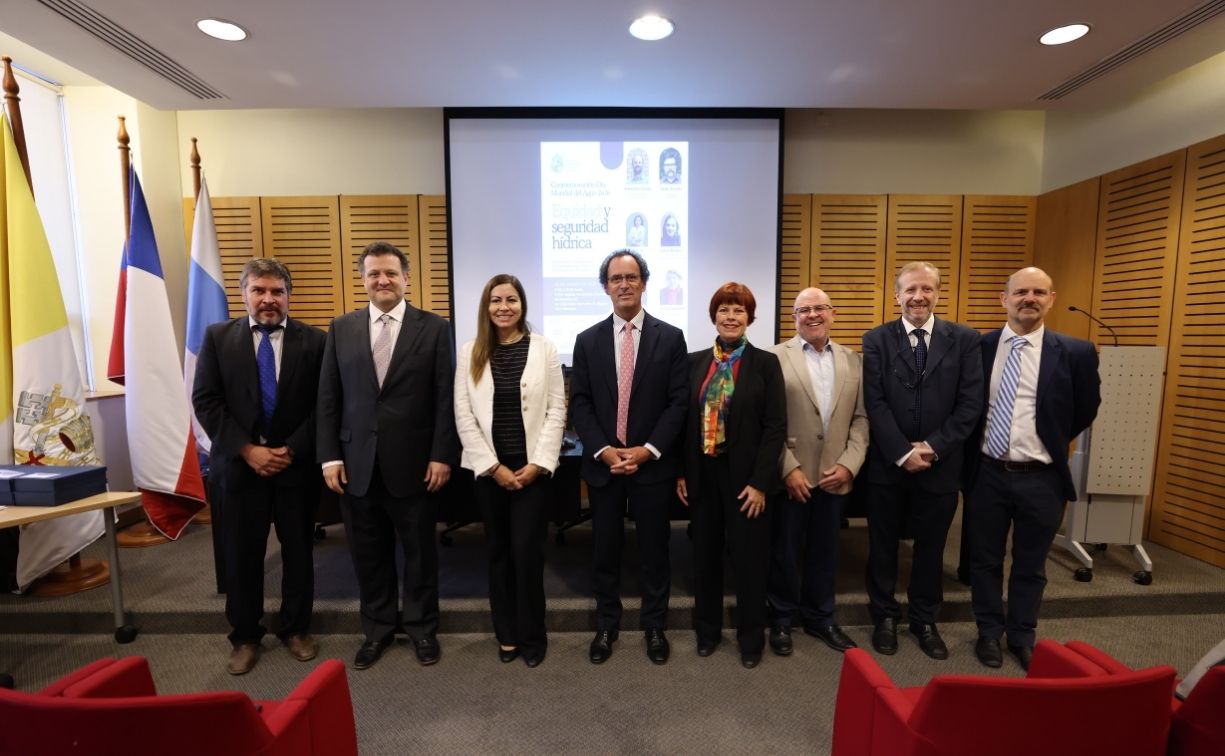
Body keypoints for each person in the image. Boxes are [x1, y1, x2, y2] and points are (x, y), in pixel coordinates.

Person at [317, 241, 459, 671]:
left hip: (415, 466)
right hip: (356, 465)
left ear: (406, 279)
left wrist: (442, 455)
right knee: (368, 554)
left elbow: (445, 397)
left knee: (420, 554)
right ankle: (377, 630)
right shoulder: (341, 328)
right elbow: (328, 398)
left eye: (391, 273)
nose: (383, 280)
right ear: (363, 279)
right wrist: (329, 457)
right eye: (374, 273)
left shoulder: (434, 328)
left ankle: (422, 629)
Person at [192, 258, 326, 675]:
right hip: (239, 468)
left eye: (277, 291)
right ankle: (245, 635)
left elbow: (325, 405)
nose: (268, 299)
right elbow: (206, 401)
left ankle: (296, 628)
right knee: (241, 555)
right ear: (244, 294)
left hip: (295, 467)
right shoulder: (218, 338)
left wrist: (291, 450)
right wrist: (248, 450)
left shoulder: (316, 341)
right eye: (259, 291)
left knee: (299, 552)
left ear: (288, 295)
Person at [967, 267, 1100, 670]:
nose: (1029, 298)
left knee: (1031, 564)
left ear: (1051, 300)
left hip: (1042, 478)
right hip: (986, 473)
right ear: (1003, 299)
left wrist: (1048, 441)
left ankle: (1022, 635)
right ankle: (989, 632)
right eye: (1021, 291)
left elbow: (1085, 409)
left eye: (1039, 292)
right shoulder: (979, 347)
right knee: (985, 560)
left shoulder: (1076, 352)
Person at [570, 249, 688, 665]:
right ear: (605, 287)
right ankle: (607, 625)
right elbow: (580, 402)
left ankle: (654, 626)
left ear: (644, 283)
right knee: (605, 550)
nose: (624, 284)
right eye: (616, 278)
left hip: (651, 466)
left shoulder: (670, 338)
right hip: (604, 467)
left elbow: (678, 403)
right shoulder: (587, 340)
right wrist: (604, 451)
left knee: (655, 551)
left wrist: (647, 450)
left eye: (632, 277)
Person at [861, 261, 983, 660]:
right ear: (896, 295)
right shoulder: (876, 339)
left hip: (940, 465)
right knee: (882, 546)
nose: (918, 296)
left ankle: (924, 619)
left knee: (931, 548)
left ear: (937, 293)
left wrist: (932, 447)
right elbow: (874, 402)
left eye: (926, 289)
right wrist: (902, 452)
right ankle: (884, 615)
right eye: (910, 289)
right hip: (888, 465)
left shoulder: (964, 340)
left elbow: (970, 404)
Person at [454, 274, 566, 668]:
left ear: (522, 305)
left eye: (512, 300)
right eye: (496, 300)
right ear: (486, 307)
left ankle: (533, 635)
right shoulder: (470, 351)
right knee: (499, 553)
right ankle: (507, 633)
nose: (504, 307)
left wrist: (538, 464)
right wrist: (492, 467)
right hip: (490, 473)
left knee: (528, 555)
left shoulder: (544, 348)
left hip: (532, 472)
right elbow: (463, 414)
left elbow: (557, 409)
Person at [677, 282, 785, 669]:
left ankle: (751, 638)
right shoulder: (693, 363)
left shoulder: (766, 364)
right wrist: (682, 472)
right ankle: (707, 632)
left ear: (749, 318)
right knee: (704, 556)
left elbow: (775, 427)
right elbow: (683, 422)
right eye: (724, 309)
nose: (731, 316)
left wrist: (759, 484)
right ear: (714, 316)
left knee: (749, 561)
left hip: (746, 481)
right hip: (703, 475)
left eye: (739, 310)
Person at [766, 288, 868, 657]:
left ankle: (820, 617)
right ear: (793, 317)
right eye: (804, 309)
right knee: (784, 552)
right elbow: (767, 422)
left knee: (826, 552)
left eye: (819, 308)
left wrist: (849, 464)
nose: (812, 315)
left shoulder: (853, 360)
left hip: (835, 475)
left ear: (832, 313)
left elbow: (861, 419)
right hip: (791, 476)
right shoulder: (774, 358)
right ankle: (781, 618)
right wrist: (787, 467)